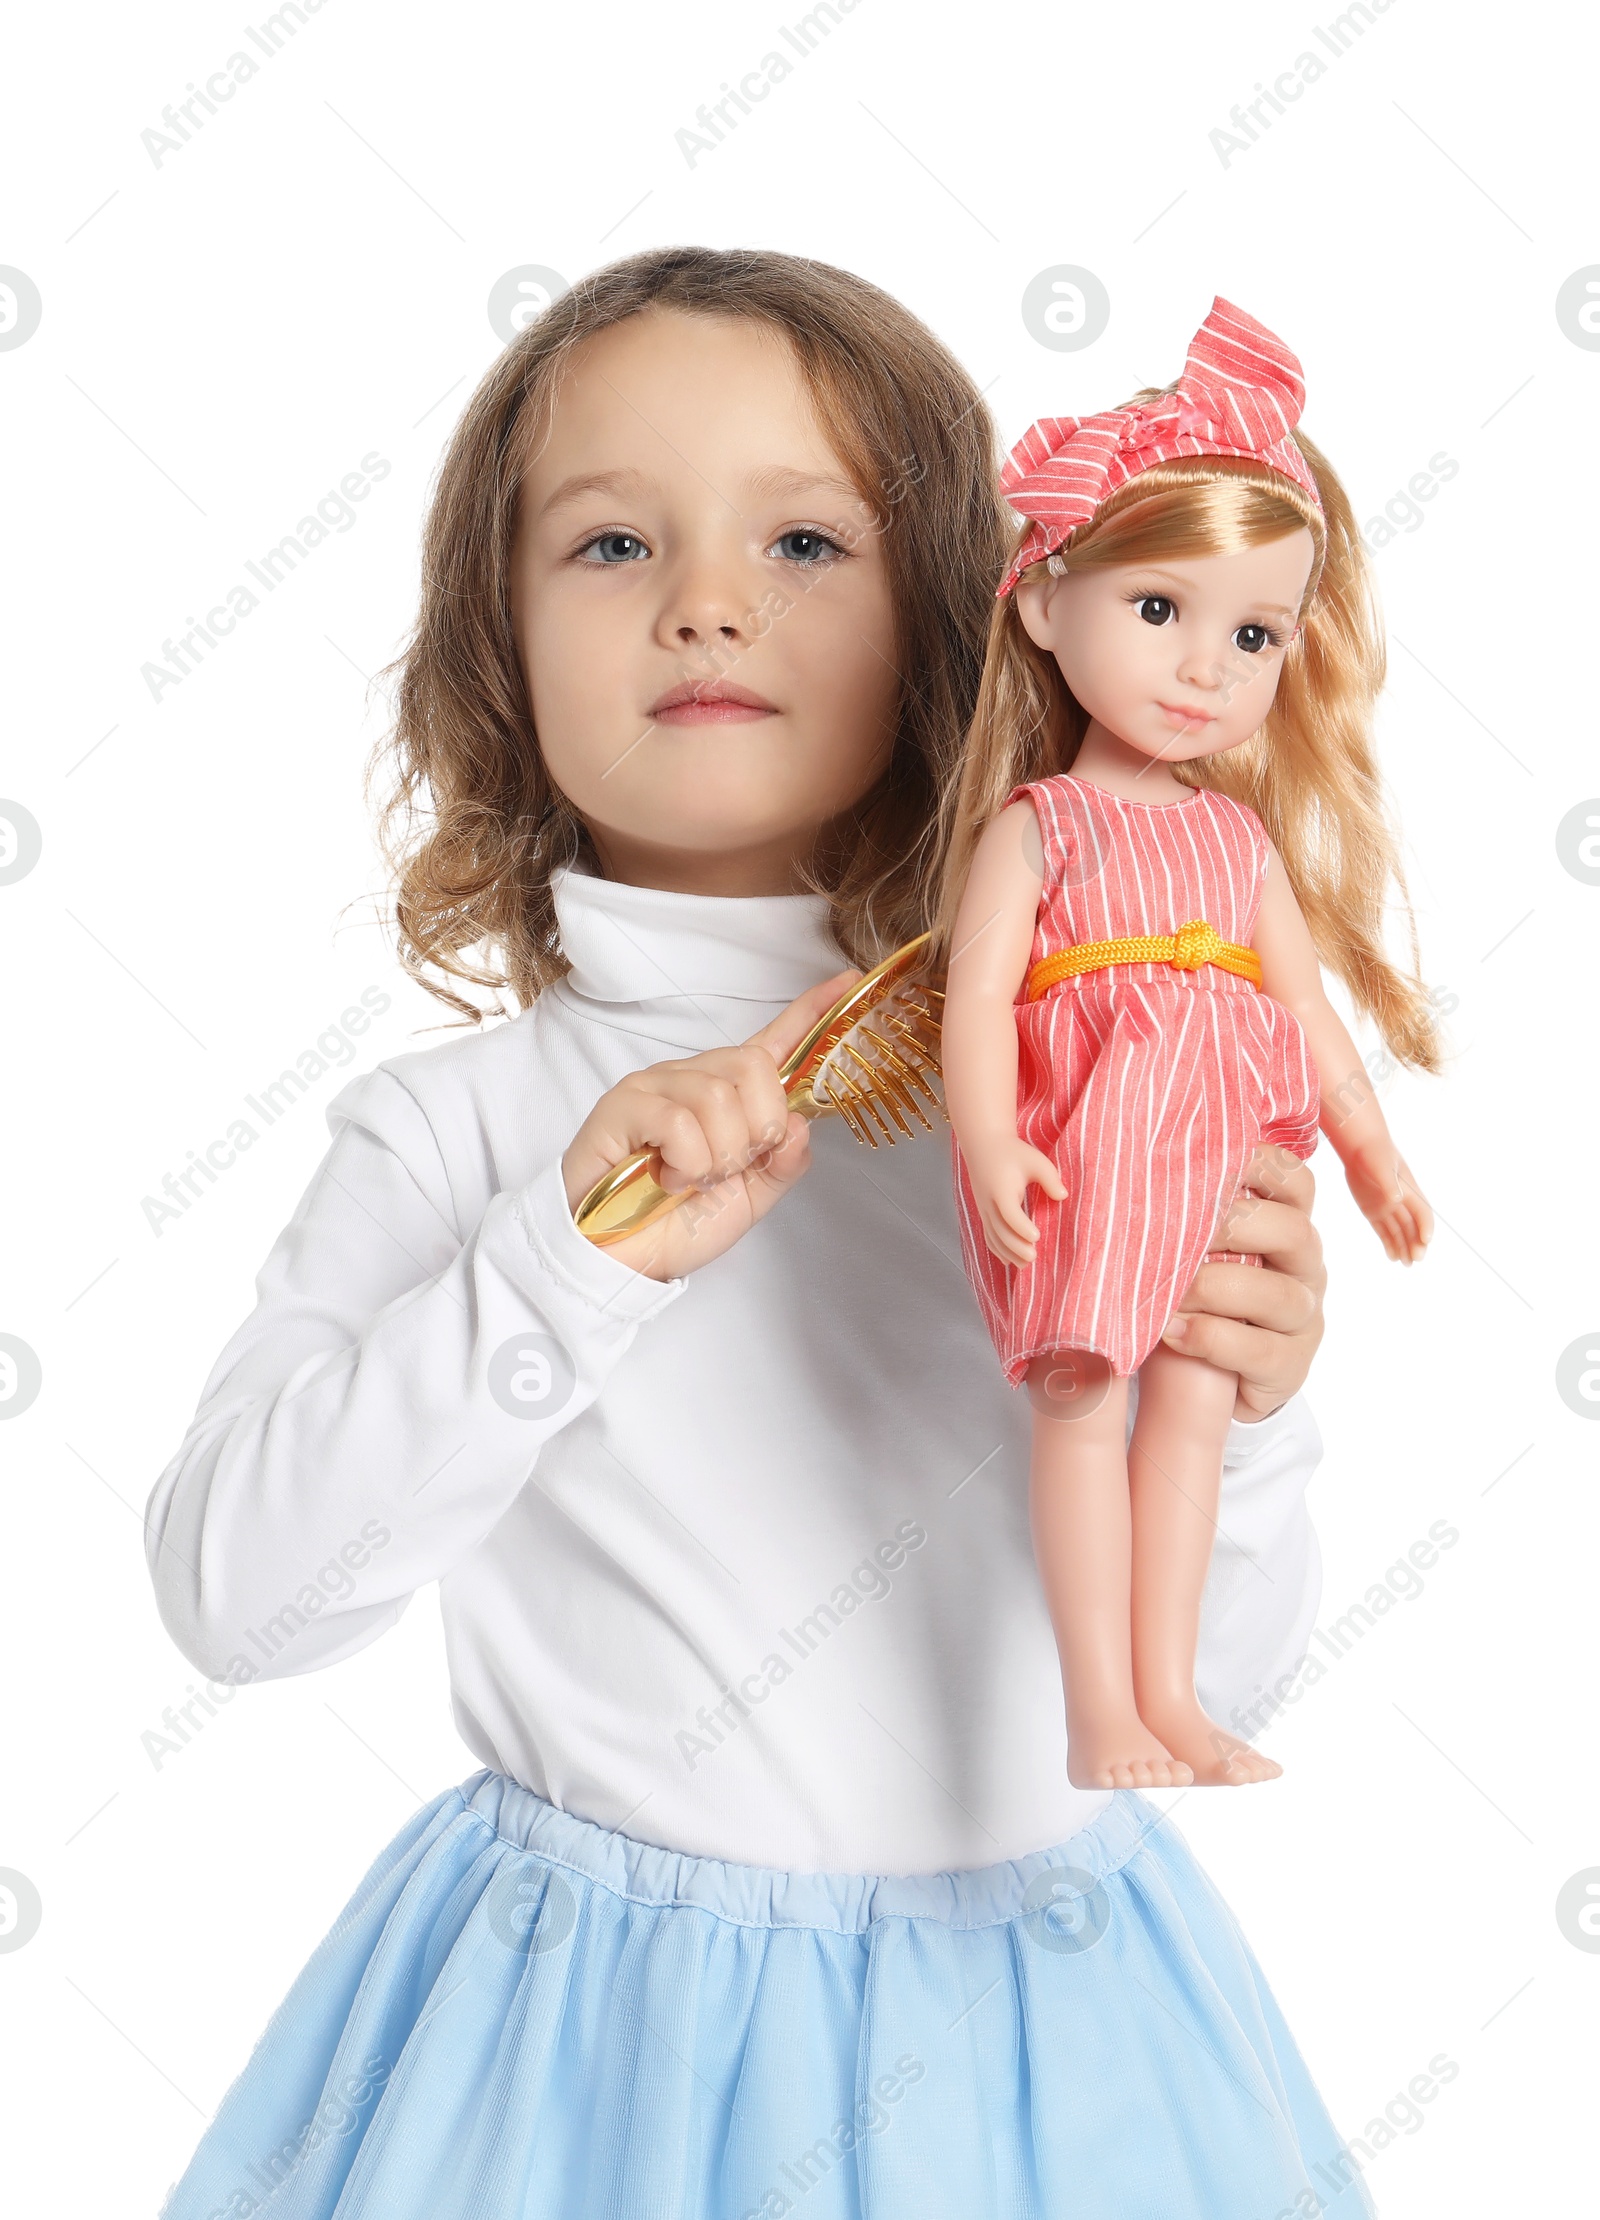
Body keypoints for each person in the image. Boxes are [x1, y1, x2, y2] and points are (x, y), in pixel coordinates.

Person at [145, 247, 1371, 2220]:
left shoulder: (1064, 1092)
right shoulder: (457, 1137)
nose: (705, 597)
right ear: (494, 646)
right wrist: (567, 1259)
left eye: (806, 540)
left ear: (983, 620)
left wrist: (1240, 1402)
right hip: (578, 2072)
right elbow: (238, 1596)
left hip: (1048, 2066)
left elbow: (1209, 1674)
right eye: (613, 540)